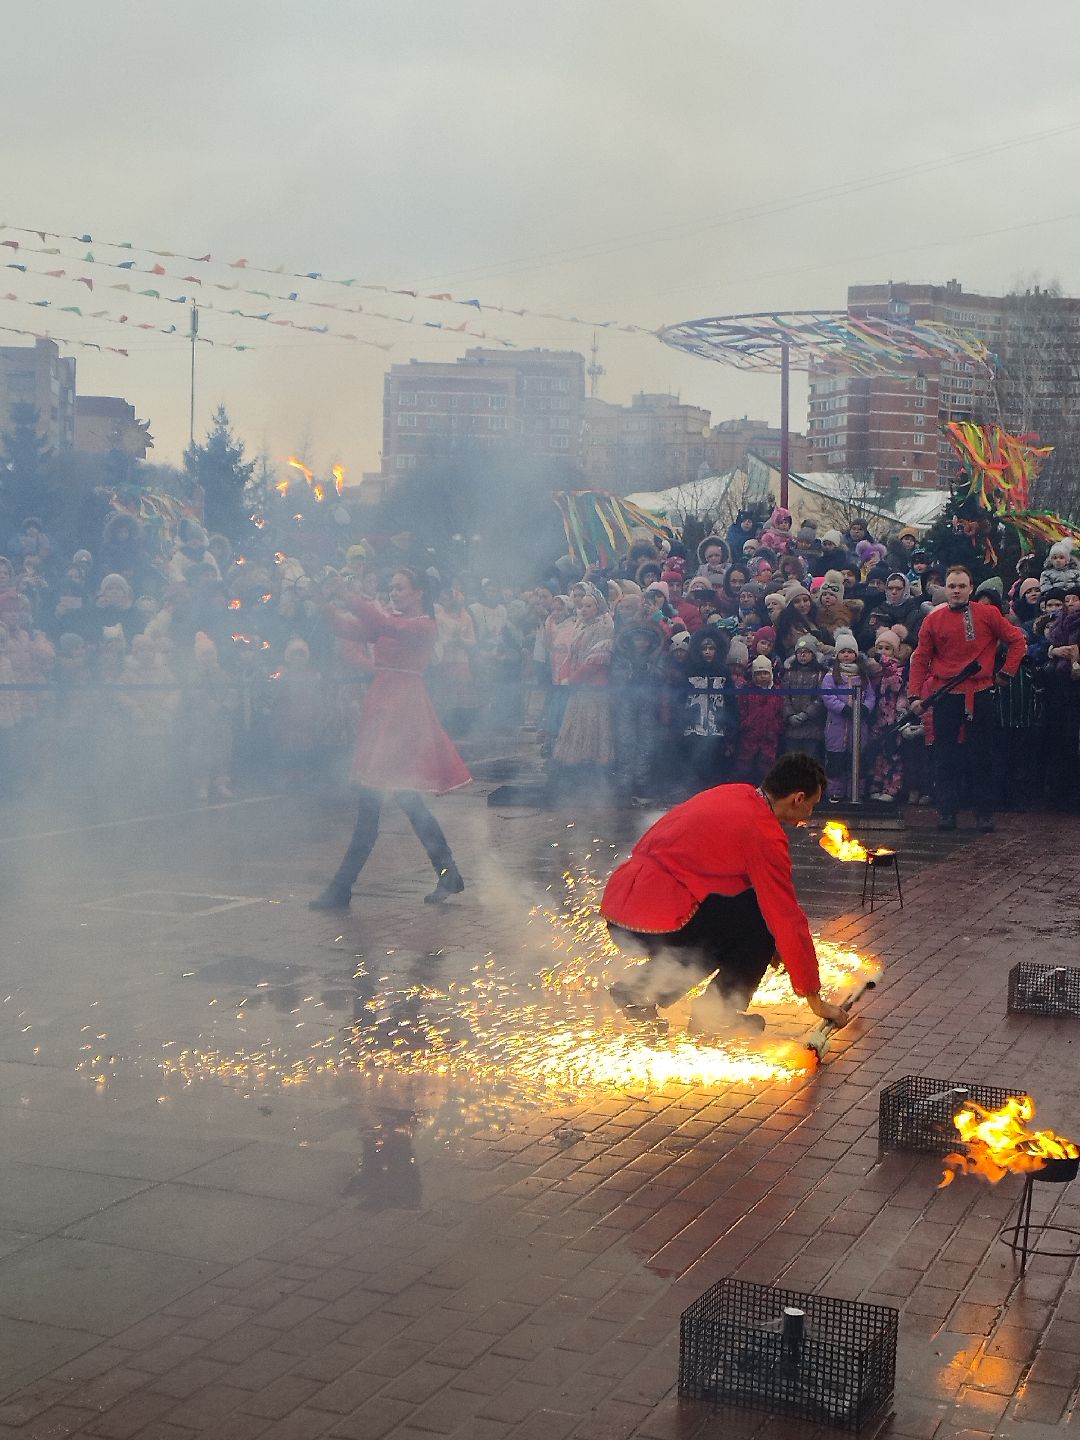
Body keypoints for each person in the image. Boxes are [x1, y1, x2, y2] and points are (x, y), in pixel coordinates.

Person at [601, 752, 847, 1034]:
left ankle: (639, 993)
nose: (810, 814)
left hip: (621, 901)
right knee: (760, 925)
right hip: (655, 914)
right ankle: (713, 1013)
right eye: (812, 806)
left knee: (743, 919)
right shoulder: (764, 834)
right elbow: (786, 917)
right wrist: (815, 1000)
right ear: (798, 798)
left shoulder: (736, 793)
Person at [310, 569, 471, 910]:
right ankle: (448, 872)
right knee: (408, 802)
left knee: (374, 805)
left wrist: (349, 594)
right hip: (385, 712)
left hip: (401, 716)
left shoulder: (424, 625)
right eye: (392, 587)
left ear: (418, 592)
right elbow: (347, 628)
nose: (394, 592)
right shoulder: (393, 620)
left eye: (400, 587)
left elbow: (384, 626)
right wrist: (324, 601)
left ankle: (341, 888)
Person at [907, 564, 1026, 833]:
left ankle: (984, 813)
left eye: (962, 586)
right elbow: (921, 658)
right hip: (946, 694)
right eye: (952, 586)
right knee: (945, 756)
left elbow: (1017, 640)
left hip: (980, 693)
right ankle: (947, 812)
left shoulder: (987, 614)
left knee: (982, 756)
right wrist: (915, 694)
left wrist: (1006, 673)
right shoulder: (933, 620)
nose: (957, 590)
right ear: (945, 589)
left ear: (971, 588)